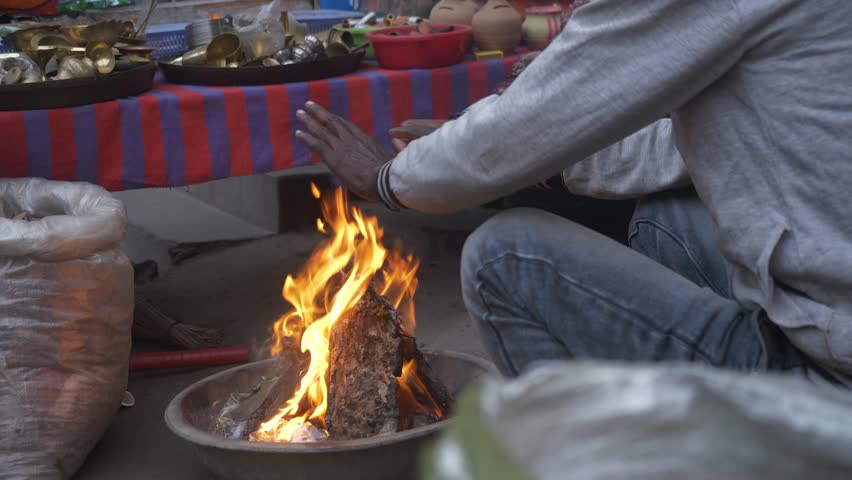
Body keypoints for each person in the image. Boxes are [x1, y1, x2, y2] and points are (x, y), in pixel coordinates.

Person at [295, 0, 852, 384]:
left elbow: (536, 119)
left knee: (502, 257)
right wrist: (538, 165)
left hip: (829, 371)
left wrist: (390, 179)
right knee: (666, 214)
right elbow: (686, 145)